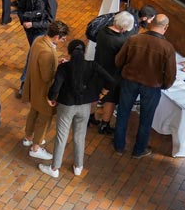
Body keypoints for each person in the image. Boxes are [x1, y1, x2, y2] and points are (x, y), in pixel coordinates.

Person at [39, 40, 114, 179]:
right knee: (80, 136)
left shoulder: (64, 68)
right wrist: (102, 93)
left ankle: (55, 167)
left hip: (66, 106)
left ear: (69, 52)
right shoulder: (92, 65)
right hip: (85, 106)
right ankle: (78, 166)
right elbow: (111, 80)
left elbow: (56, 86)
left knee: (61, 136)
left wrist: (51, 98)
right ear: (84, 52)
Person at [113, 15, 176, 158]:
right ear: (165, 27)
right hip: (152, 86)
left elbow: (118, 61)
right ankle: (139, 149)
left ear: (151, 23)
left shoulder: (134, 39)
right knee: (146, 119)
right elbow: (170, 75)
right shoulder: (168, 48)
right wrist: (163, 86)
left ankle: (119, 146)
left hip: (129, 81)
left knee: (122, 114)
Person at [22, 21, 70, 162]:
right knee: (44, 118)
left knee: (33, 112)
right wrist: (59, 68)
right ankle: (36, 148)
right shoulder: (48, 51)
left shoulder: (39, 41)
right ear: (56, 37)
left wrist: (56, 61)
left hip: (34, 86)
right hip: (44, 90)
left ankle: (28, 137)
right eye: (63, 38)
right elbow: (47, 76)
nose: (64, 41)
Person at [92, 10, 136, 135]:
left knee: (96, 95)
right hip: (113, 74)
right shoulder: (121, 41)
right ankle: (104, 124)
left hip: (98, 67)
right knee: (110, 99)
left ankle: (92, 117)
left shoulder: (102, 32)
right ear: (123, 28)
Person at [17, 0, 58, 96]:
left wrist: (33, 24)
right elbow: (21, 8)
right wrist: (23, 21)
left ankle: (24, 84)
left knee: (32, 55)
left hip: (41, 31)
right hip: (29, 30)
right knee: (36, 54)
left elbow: (50, 21)